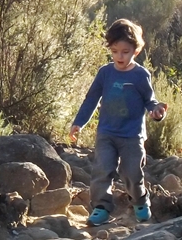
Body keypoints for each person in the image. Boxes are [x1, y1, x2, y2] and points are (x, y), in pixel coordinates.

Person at [70, 18, 167, 225]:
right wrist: (79, 122)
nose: (119, 56)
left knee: (131, 172)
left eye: (125, 51)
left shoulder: (141, 75)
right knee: (102, 170)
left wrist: (157, 112)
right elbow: (91, 99)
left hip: (132, 136)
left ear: (136, 51)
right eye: (115, 51)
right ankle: (101, 208)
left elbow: (150, 102)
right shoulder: (105, 73)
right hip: (106, 133)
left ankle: (140, 200)